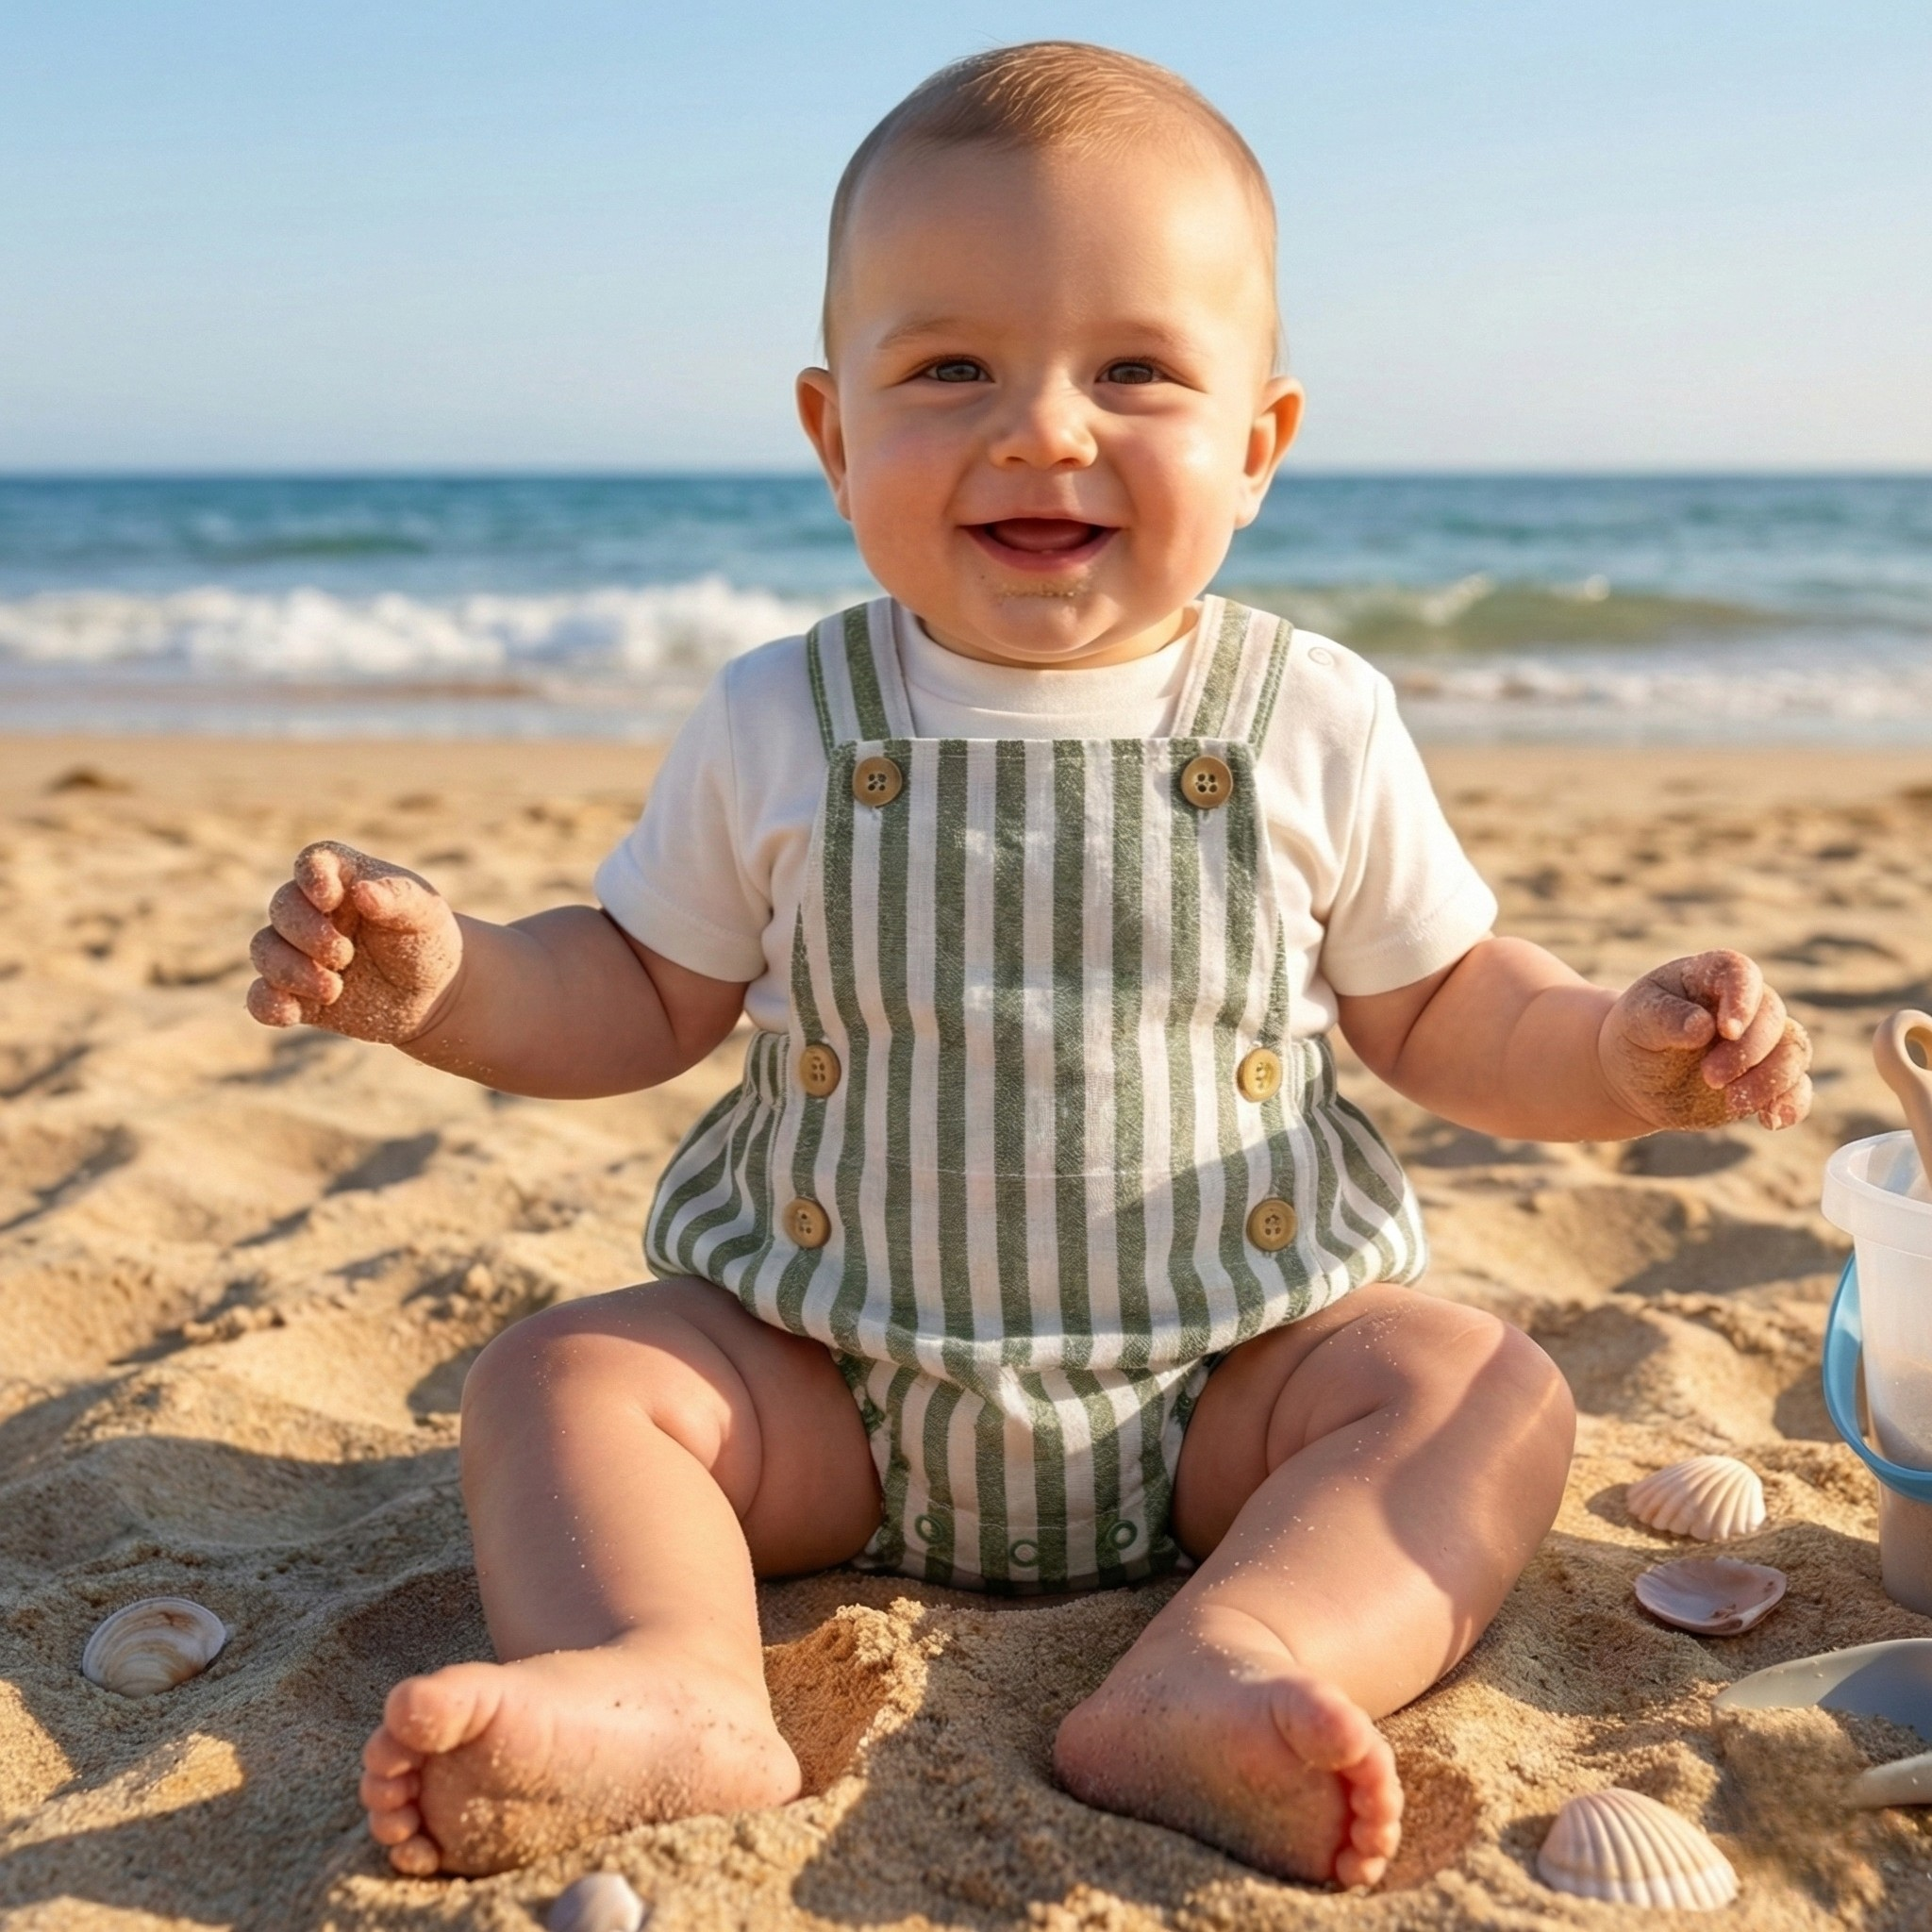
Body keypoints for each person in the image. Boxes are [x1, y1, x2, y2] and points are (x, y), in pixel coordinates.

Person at [245, 42, 1812, 1890]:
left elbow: (1448, 1004)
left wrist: (1615, 1059)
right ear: (836, 439)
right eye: (951, 368)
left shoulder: (1308, 715)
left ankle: (1235, 1657)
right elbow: (637, 992)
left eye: (1133, 368)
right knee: (562, 1377)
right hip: (822, 1392)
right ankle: (675, 1673)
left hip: (1225, 1395)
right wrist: (443, 986)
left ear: (1256, 442)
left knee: (1476, 1389)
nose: (1045, 427)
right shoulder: (779, 718)